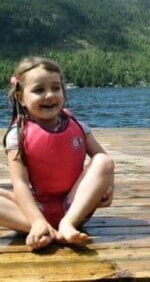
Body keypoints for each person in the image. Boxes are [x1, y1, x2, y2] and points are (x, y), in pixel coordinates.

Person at [0, 57, 114, 251]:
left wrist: (109, 188)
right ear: (21, 98)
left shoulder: (78, 127)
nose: (49, 95)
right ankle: (44, 229)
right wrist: (36, 220)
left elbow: (104, 165)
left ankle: (66, 225)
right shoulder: (16, 136)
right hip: (34, 212)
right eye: (39, 90)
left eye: (56, 88)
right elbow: (19, 183)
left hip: (75, 208)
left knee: (103, 161)